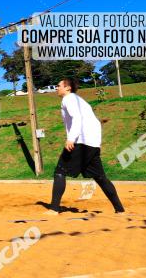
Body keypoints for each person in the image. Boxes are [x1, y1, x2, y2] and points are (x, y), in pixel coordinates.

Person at [48, 78, 125, 214]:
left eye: (58, 85)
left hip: (80, 142)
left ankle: (54, 209)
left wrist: (71, 139)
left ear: (68, 88)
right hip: (92, 143)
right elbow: (95, 122)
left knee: (60, 171)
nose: (56, 88)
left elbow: (77, 118)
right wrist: (96, 143)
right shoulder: (80, 101)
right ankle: (120, 209)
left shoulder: (68, 99)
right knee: (100, 177)